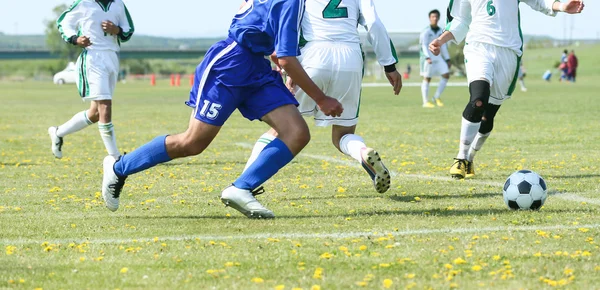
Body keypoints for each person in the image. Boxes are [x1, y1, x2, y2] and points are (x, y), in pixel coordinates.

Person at [100, 0, 344, 218]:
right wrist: (321, 99)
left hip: (257, 67)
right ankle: (118, 168)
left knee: (296, 132)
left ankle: (241, 188)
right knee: (192, 143)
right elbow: (285, 58)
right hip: (231, 64)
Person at [243, 0, 402, 194]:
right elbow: (374, 24)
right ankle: (362, 152)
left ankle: (244, 183)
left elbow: (290, 23)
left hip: (313, 55)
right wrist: (389, 65)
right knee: (343, 134)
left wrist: (289, 67)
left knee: (280, 128)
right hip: (350, 57)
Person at [429, 0, 584, 179]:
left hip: (508, 52)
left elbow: (539, 2)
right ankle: (461, 158)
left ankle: (470, 157)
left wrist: (562, 7)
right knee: (478, 99)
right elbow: (461, 20)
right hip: (478, 47)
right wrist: (441, 40)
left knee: (488, 115)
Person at [48, 0, 134, 160]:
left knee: (95, 114)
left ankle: (58, 132)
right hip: (93, 58)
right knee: (105, 107)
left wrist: (117, 30)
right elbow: (63, 22)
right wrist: (75, 39)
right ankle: (115, 158)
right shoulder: (83, 3)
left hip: (112, 57)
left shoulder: (118, 4)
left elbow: (129, 29)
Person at [420, 9, 451, 108]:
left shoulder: (441, 31)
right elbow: (423, 46)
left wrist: (447, 59)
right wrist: (427, 57)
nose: (435, 18)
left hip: (439, 58)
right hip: (429, 59)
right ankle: (425, 102)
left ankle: (436, 97)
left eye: (436, 17)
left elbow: (444, 46)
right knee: (427, 79)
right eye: (433, 17)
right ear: (429, 18)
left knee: (446, 75)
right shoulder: (426, 31)